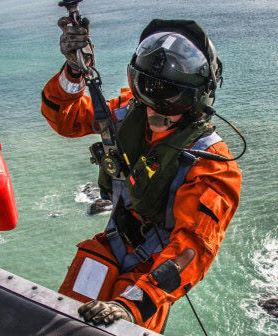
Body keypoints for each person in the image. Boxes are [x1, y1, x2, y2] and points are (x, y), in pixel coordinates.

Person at [41, 18, 242, 334]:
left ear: (195, 101)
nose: (153, 113)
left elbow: (193, 248)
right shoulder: (130, 110)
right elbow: (66, 119)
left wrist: (130, 305)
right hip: (113, 244)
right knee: (63, 325)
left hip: (153, 270)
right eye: (146, 97)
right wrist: (74, 72)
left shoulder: (211, 164)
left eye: (168, 102)